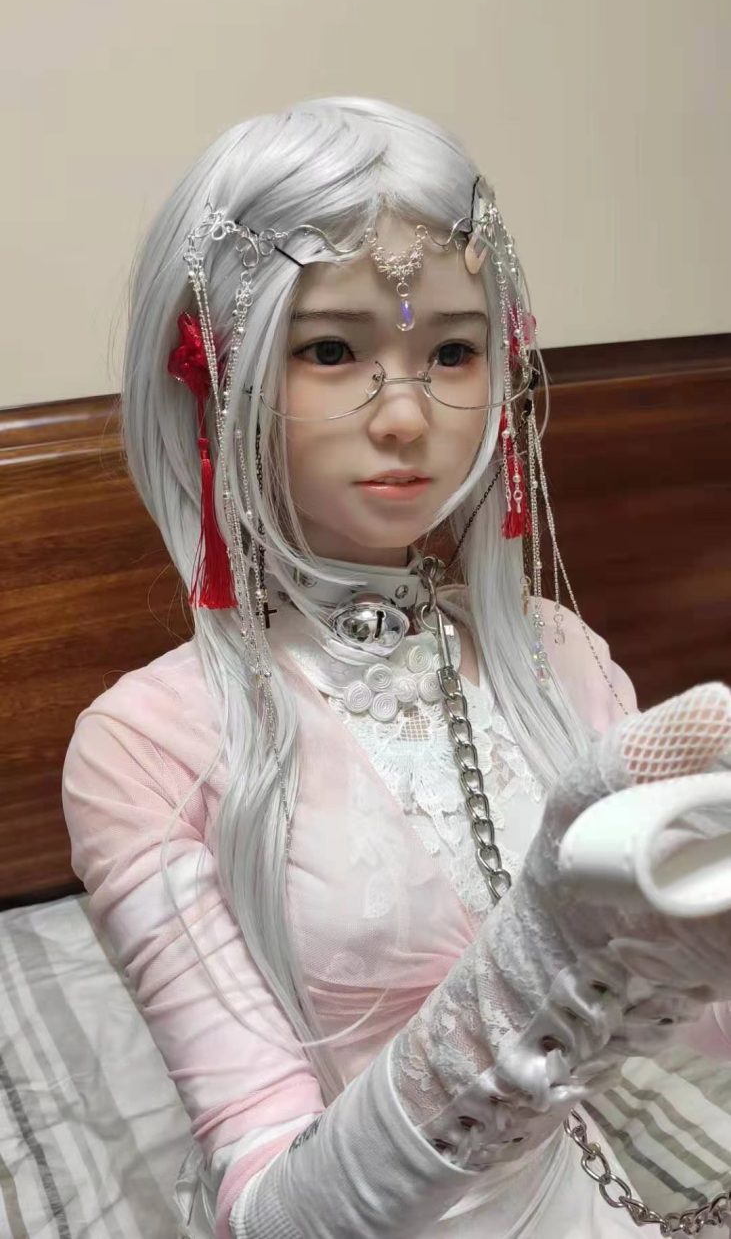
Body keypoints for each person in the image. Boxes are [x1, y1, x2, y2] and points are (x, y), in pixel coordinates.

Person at [61, 97, 731, 1239]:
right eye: (332, 350)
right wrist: (541, 961)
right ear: (218, 377)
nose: (408, 417)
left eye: (452, 350)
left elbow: (690, 1025)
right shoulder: (145, 746)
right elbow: (269, 1211)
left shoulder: (556, 655)